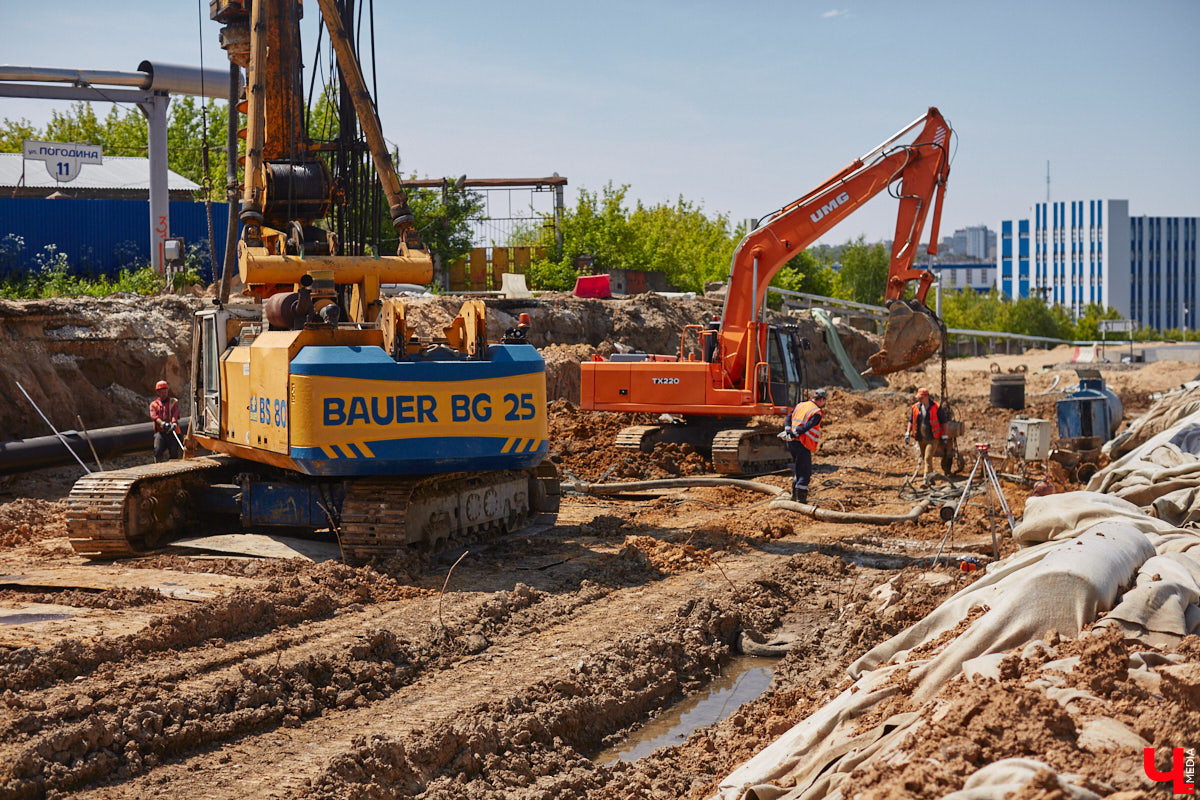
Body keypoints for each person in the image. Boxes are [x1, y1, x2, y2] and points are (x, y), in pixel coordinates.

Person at [783, 388, 826, 504]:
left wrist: (789, 431)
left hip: (791, 442)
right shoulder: (817, 412)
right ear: (821, 400)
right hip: (803, 442)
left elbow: (788, 418)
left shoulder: (801, 405)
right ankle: (801, 500)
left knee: (799, 468)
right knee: (805, 471)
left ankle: (794, 496)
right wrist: (795, 433)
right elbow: (808, 426)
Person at [905, 387, 949, 487]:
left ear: (926, 397)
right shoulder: (916, 407)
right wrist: (907, 433)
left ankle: (925, 480)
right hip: (921, 438)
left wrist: (945, 436)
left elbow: (944, 422)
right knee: (926, 459)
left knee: (928, 458)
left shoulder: (936, 407)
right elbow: (911, 421)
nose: (919, 399)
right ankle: (932, 478)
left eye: (921, 398)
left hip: (933, 438)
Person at [151, 380, 182, 462]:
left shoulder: (173, 402)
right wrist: (162, 424)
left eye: (165, 391)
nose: (164, 393)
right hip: (161, 432)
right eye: (162, 391)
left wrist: (174, 423)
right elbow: (154, 416)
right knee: (157, 450)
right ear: (158, 392)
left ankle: (174, 469)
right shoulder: (154, 404)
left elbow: (175, 413)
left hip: (172, 432)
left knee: (174, 452)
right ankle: (158, 467)